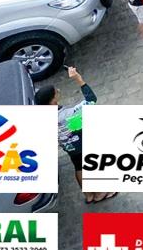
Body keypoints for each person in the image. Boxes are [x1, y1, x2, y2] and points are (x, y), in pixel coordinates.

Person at [41, 64, 112, 202]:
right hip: (80, 143)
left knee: (78, 166)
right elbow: (91, 100)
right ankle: (99, 193)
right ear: (53, 101)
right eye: (56, 92)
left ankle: (89, 195)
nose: (59, 90)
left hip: (68, 145)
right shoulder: (67, 114)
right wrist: (78, 78)